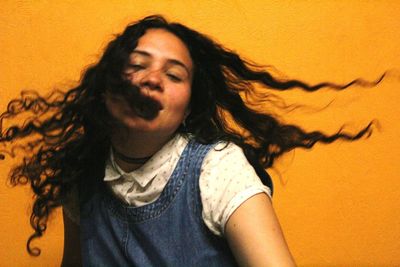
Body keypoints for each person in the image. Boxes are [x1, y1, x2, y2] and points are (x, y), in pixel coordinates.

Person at [0, 15, 383, 266]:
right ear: (106, 86)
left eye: (175, 75)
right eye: (137, 65)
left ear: (187, 109)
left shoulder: (217, 168)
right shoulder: (81, 171)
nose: (152, 79)